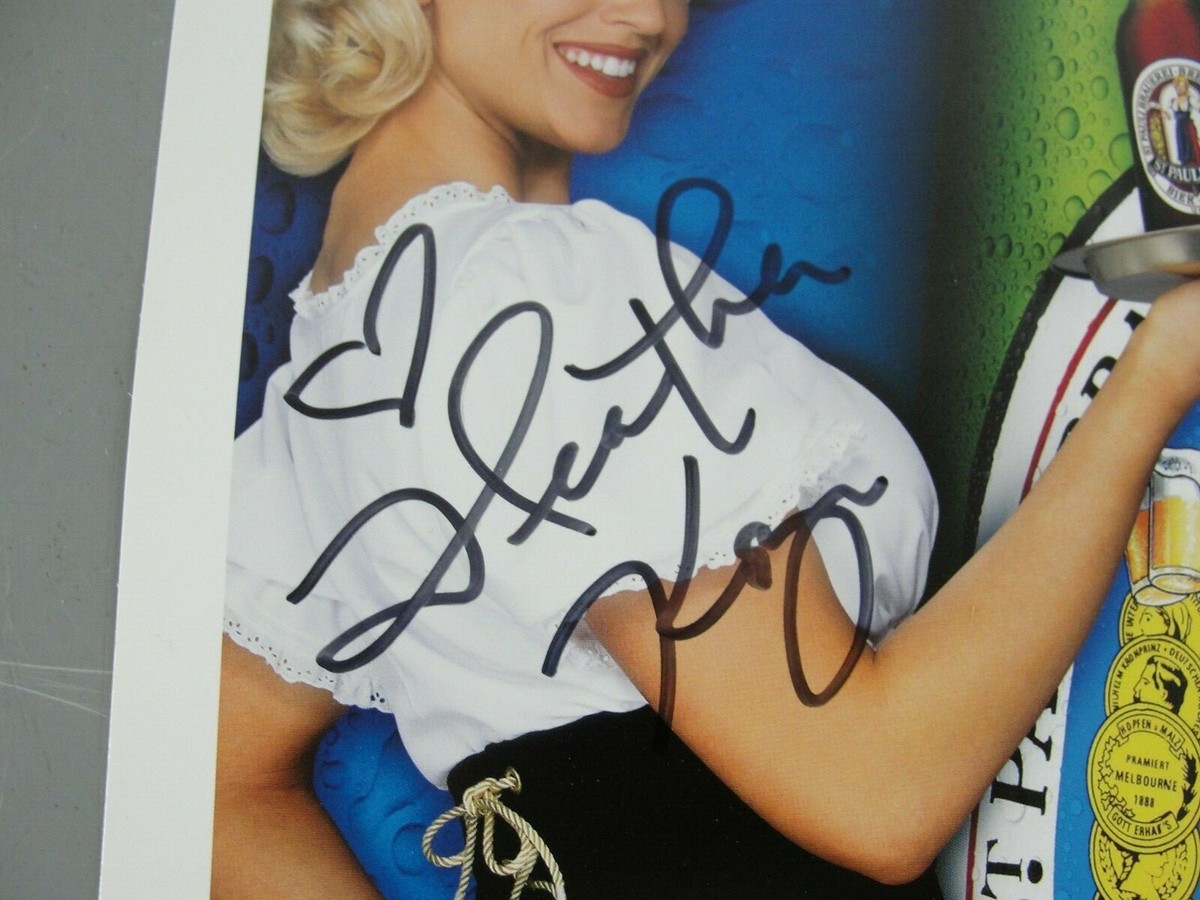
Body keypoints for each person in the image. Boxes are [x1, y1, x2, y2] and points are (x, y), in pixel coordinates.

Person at [212, 0, 1200, 897]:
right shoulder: (539, 295)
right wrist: (1155, 373)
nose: (651, 16)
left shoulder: (336, 364)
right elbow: (877, 791)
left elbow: (218, 785)